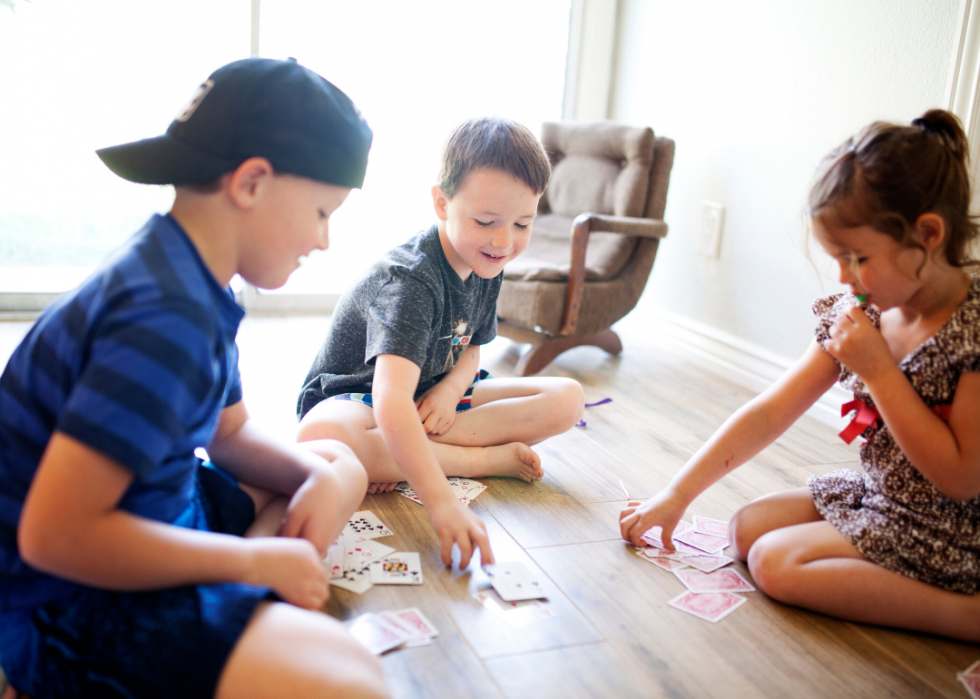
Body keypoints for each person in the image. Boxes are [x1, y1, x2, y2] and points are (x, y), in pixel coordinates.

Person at [0, 58, 390, 698]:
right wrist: (255, 558)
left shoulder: (185, 273)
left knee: (337, 463)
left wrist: (315, 478)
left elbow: (228, 433)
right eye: (322, 211)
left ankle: (244, 604)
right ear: (252, 183)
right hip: (67, 600)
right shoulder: (163, 316)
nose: (323, 240)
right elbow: (53, 537)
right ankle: (242, 601)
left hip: (160, 509)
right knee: (355, 682)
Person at [620, 109, 980, 642]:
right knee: (744, 530)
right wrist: (678, 493)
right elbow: (770, 411)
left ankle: (966, 614)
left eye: (858, 257)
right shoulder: (865, 312)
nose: (843, 276)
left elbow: (961, 478)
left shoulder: (969, 334)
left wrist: (879, 371)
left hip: (949, 528)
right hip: (878, 495)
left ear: (927, 235)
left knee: (773, 563)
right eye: (837, 257)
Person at [296, 117, 585, 569]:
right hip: (359, 398)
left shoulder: (489, 259)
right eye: (486, 221)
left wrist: (450, 392)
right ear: (441, 202)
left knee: (568, 398)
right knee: (322, 435)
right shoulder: (411, 280)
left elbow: (471, 350)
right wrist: (442, 501)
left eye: (522, 224)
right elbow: (390, 400)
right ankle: (481, 460)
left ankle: (406, 454)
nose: (504, 241)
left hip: (431, 392)